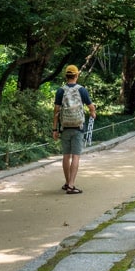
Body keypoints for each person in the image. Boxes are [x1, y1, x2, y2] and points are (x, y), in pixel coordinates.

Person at [53, 64, 96, 194]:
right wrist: (93, 113)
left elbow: (56, 111)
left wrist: (54, 129)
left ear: (66, 76)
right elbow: (90, 107)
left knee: (66, 156)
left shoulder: (61, 91)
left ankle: (67, 183)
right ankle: (72, 185)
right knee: (76, 156)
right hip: (78, 127)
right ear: (77, 75)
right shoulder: (81, 90)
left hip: (64, 127)